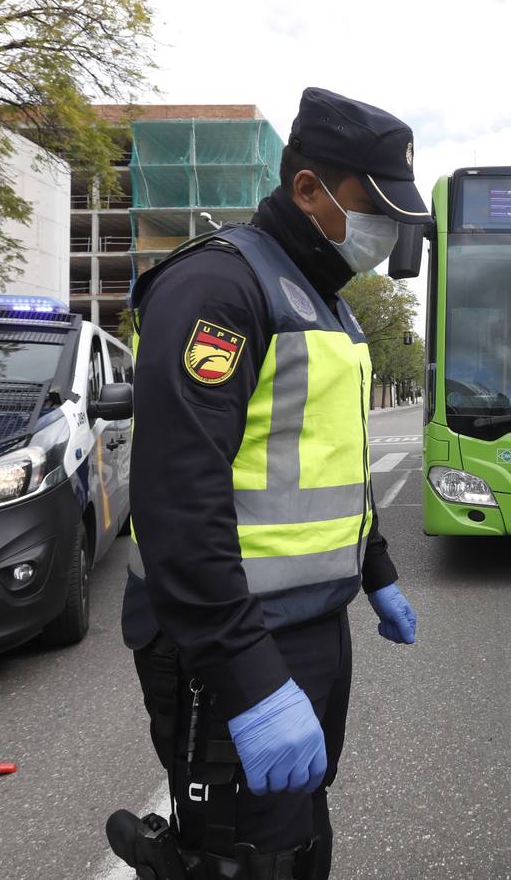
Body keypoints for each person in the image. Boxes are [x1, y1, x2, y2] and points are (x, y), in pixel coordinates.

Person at [118, 88, 429, 880]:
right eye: (374, 207)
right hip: (227, 636)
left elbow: (326, 456)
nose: (387, 230)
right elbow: (176, 502)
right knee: (246, 857)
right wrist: (249, 675)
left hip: (309, 625)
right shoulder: (220, 288)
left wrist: (376, 569)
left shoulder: (320, 298)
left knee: (298, 835)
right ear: (307, 190)